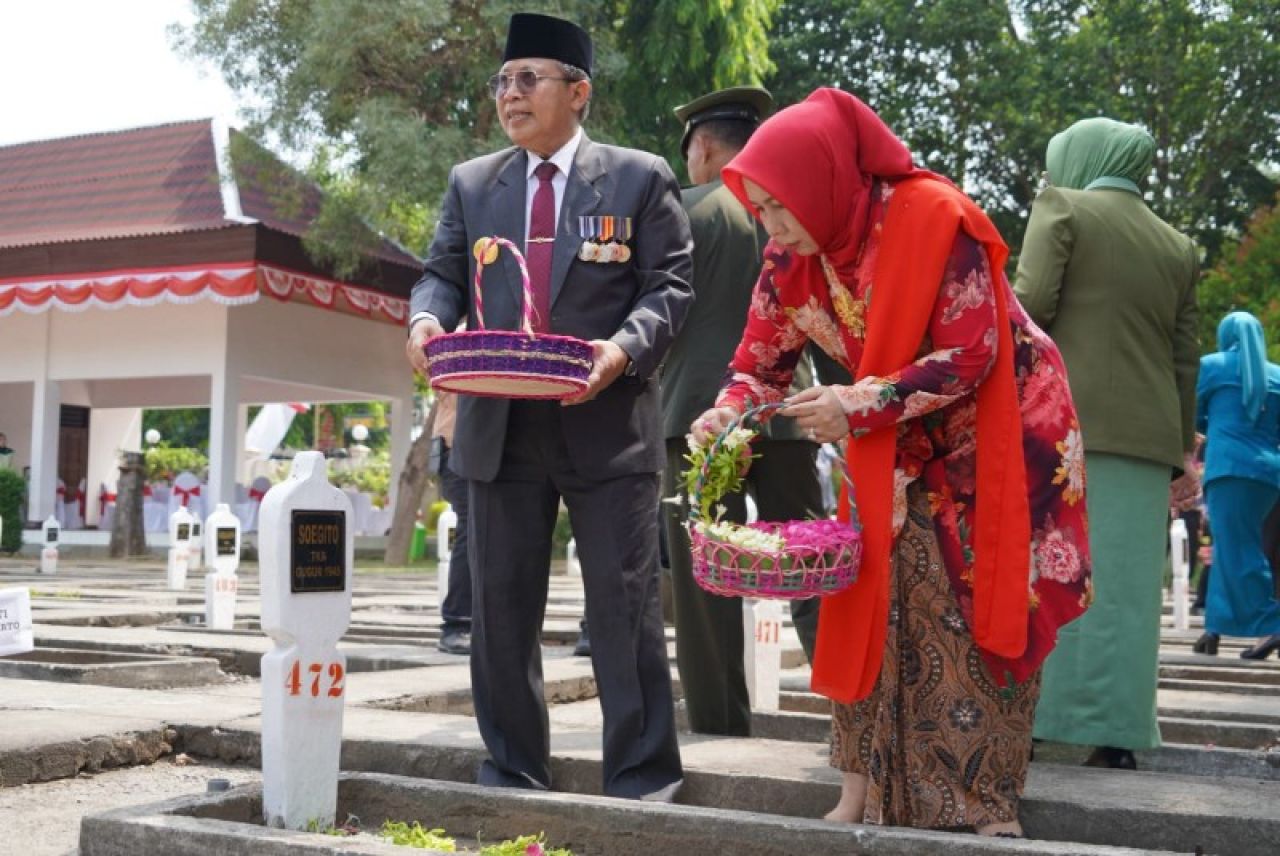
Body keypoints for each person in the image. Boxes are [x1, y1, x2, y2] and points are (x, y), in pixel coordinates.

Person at [691, 88, 1091, 837]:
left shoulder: (933, 218)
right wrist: (724, 418)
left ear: (822, 182)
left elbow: (974, 353)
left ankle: (978, 804)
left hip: (995, 430)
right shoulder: (790, 258)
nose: (771, 227)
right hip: (891, 432)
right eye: (762, 210)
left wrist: (857, 405)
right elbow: (758, 367)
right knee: (869, 595)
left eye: (780, 208)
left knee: (964, 602)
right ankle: (863, 793)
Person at [405, 13, 691, 800]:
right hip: (500, 424)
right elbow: (441, 273)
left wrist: (622, 349)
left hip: (608, 424)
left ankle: (640, 779)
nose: (510, 94)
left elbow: (670, 287)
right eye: (503, 81)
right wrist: (427, 318)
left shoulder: (637, 177)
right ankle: (511, 772)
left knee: (624, 610)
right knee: (497, 611)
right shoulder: (473, 183)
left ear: (579, 91)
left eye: (528, 79)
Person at [1016, 117, 1200, 771]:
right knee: (1125, 588)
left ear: (1078, 159)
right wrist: (1180, 453)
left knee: (1054, 569)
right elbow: (1184, 360)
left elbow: (1029, 303)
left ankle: (1039, 724)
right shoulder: (1177, 245)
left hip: (1067, 424)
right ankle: (1118, 736)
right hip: (1148, 441)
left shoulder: (1064, 205)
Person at [660, 85, 826, 736]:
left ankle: (718, 725)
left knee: (707, 581)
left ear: (702, 147)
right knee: (812, 564)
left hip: (698, 418)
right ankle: (854, 713)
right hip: (791, 413)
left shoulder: (682, 210)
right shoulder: (798, 213)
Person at [1193, 312, 1280, 660]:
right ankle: (1211, 631)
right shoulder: (1276, 374)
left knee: (1239, 550)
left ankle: (1273, 625)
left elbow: (1194, 415)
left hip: (1229, 470)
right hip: (1268, 475)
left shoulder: (1212, 366)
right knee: (1230, 545)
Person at [431, 391, 472, 656]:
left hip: (475, 446)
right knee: (472, 529)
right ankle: (458, 623)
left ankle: (467, 622)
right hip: (457, 445)